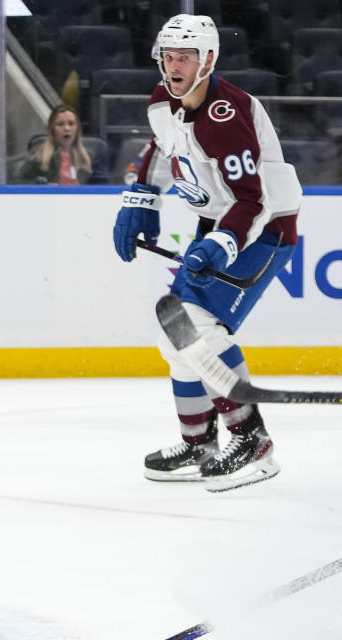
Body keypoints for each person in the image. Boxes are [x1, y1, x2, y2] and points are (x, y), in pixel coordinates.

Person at [113, 15, 302, 492]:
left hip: (264, 229)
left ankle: (253, 442)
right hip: (219, 223)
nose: (174, 67)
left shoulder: (227, 116)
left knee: (196, 328)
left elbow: (253, 201)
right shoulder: (164, 101)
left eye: (186, 57)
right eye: (169, 56)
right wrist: (142, 199)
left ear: (209, 60)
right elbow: (160, 149)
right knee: (174, 328)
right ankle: (199, 442)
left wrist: (222, 243)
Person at [17, 104, 98, 185]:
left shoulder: (89, 156)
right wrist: (44, 186)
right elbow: (19, 182)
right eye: (60, 124)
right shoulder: (38, 155)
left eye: (71, 124)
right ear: (52, 130)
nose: (67, 128)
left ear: (77, 129)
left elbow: (101, 187)